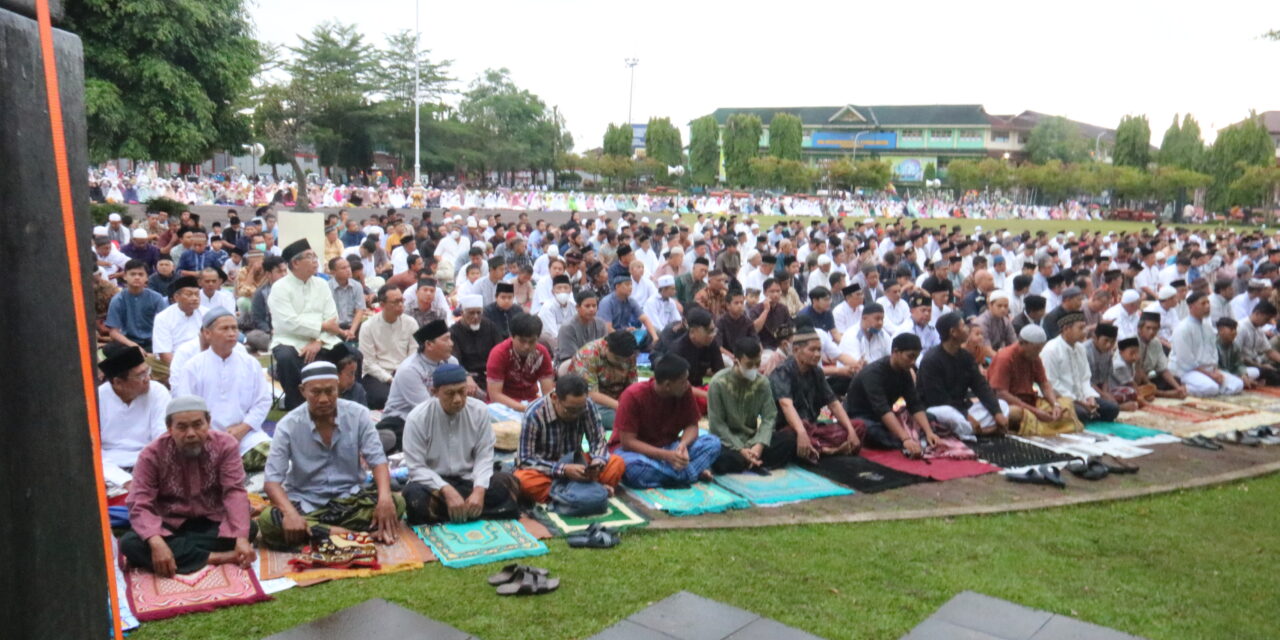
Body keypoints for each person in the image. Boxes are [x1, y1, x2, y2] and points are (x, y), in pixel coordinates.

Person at [258, 362, 404, 549]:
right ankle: (349, 534)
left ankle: (322, 534)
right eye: (316, 392)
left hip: (350, 500)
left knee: (396, 502)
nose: (324, 399)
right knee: (268, 521)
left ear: (339, 388)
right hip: (307, 503)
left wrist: (384, 499)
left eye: (330, 391)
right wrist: (290, 514)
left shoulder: (358, 414)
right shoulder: (288, 425)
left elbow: (378, 461)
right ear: (303, 391)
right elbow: (271, 482)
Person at [120, 396, 255, 577]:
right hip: (169, 523)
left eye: (198, 425)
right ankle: (218, 557)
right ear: (170, 429)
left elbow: (234, 492)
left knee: (249, 529)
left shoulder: (225, 445)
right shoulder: (151, 454)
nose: (191, 433)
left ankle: (180, 554)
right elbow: (139, 502)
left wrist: (241, 537)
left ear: (208, 423)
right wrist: (157, 542)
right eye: (182, 427)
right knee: (131, 543)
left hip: (211, 520)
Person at [401, 364, 522, 524]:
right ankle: (475, 512)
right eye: (450, 394)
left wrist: (479, 490)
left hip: (470, 480)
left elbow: (484, 456)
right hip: (435, 484)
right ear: (434, 392)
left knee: (508, 482)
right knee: (414, 496)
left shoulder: (479, 410)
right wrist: (447, 490)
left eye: (461, 391)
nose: (457, 399)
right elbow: (416, 467)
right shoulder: (417, 418)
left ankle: (459, 511)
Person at [171, 308, 273, 471]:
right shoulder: (193, 367)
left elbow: (263, 400)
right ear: (207, 333)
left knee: (276, 460)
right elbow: (185, 407)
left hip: (245, 436)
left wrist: (243, 428)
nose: (232, 333)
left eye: (234, 328)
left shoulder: (250, 363)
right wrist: (210, 434)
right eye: (225, 328)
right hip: (204, 437)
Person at [609, 354, 722, 488]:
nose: (687, 385)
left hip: (670, 447)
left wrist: (683, 446)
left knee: (713, 443)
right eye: (683, 381)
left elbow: (692, 425)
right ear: (668, 385)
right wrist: (665, 456)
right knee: (633, 469)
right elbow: (628, 442)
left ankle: (672, 476)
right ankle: (690, 474)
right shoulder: (633, 395)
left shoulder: (684, 391)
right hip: (636, 452)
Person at [513, 373, 626, 503]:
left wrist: (597, 462)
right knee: (523, 480)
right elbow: (525, 459)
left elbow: (598, 441)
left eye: (580, 410)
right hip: (546, 469)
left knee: (616, 463)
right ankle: (588, 492)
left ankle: (573, 494)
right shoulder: (534, 414)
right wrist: (563, 470)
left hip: (577, 465)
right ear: (555, 398)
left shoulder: (586, 405)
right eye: (570, 410)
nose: (576, 415)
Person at [269, 240, 348, 410]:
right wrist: (323, 326)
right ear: (295, 263)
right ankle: (299, 407)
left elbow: (332, 319)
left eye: (315, 256)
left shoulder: (322, 284)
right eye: (310, 257)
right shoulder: (279, 287)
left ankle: (344, 405)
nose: (315, 260)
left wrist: (319, 341)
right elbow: (288, 322)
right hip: (289, 340)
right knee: (286, 358)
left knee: (352, 355)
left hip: (323, 341)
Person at [770, 323, 861, 461]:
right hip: (790, 428)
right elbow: (786, 405)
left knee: (858, 426)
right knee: (790, 439)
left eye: (819, 350)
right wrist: (801, 432)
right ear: (796, 350)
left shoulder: (816, 371)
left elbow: (834, 404)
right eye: (812, 350)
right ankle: (828, 450)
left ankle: (819, 449)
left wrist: (851, 430)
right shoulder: (783, 371)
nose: (817, 354)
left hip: (813, 428)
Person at [707, 337, 796, 474]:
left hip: (753, 439)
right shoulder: (718, 383)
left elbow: (769, 417)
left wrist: (759, 445)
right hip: (728, 443)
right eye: (749, 365)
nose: (754, 368)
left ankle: (749, 460)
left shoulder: (763, 383)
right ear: (736, 361)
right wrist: (740, 449)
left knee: (789, 439)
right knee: (719, 457)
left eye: (757, 363)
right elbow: (717, 425)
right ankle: (750, 460)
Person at [917, 312, 1012, 438]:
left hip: (962, 408)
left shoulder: (965, 356)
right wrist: (967, 416)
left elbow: (981, 386)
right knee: (949, 414)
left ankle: (970, 430)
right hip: (937, 409)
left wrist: (997, 413)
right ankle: (982, 430)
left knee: (1002, 405)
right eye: (963, 326)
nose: (967, 329)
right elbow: (938, 400)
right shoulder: (931, 360)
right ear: (953, 332)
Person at [844, 333, 941, 455]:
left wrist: (928, 432)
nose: (913, 362)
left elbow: (914, 404)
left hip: (888, 415)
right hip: (862, 416)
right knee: (873, 432)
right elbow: (882, 409)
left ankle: (917, 438)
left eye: (915, 358)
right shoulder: (872, 373)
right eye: (910, 357)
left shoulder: (904, 372)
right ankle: (907, 442)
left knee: (930, 418)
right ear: (896, 352)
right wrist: (905, 438)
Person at [97, 345, 171, 494]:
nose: (148, 378)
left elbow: (162, 440)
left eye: (147, 371)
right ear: (117, 382)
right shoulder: (97, 398)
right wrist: (124, 480)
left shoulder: (158, 392)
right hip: (108, 469)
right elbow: (94, 450)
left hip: (149, 464)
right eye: (140, 375)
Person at [987, 325, 1080, 435]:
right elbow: (1001, 394)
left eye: (1041, 348)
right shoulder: (1005, 358)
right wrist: (1035, 412)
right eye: (1036, 349)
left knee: (1066, 403)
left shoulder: (1034, 357)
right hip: (1010, 405)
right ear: (1023, 343)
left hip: (1031, 402)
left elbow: (1044, 383)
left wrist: (1055, 404)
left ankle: (1041, 426)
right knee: (1015, 413)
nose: (1039, 352)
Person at [1041, 311, 1119, 423]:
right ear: (1067, 329)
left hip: (1082, 397)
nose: (1085, 332)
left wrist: (1090, 397)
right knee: (1082, 413)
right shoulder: (1051, 350)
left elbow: (1085, 378)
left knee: (1113, 409)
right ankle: (1089, 414)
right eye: (1081, 328)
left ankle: (1090, 413)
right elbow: (1052, 383)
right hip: (1060, 398)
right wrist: (1079, 401)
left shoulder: (1080, 348)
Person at [1171, 291, 1244, 397]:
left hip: (1208, 369)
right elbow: (1185, 361)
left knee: (1238, 384)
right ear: (1191, 306)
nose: (1207, 306)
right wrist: (1210, 375)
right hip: (1186, 371)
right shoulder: (1182, 328)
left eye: (1208, 303)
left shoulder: (1207, 326)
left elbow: (1213, 352)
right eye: (1203, 303)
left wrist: (1215, 370)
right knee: (1211, 387)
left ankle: (1211, 389)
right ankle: (1181, 389)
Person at [357, 286, 419, 410]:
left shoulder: (410, 323)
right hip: (378, 374)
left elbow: (414, 355)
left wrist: (403, 375)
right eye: (396, 302)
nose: (401, 305)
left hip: (404, 372)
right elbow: (368, 363)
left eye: (402, 300)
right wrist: (390, 379)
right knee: (382, 399)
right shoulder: (368, 326)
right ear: (382, 304)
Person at [569, 330, 638, 430]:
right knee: (624, 422)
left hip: (618, 402)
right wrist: (622, 407)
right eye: (617, 359)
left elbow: (632, 386)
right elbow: (591, 394)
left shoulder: (629, 356)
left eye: (625, 361)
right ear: (606, 347)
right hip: (593, 404)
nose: (621, 363)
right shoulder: (588, 355)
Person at [486, 313, 555, 412]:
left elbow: (548, 392)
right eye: (522, 341)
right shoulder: (499, 353)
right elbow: (495, 396)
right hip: (503, 406)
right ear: (512, 337)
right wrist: (525, 409)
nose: (526, 346)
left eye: (531, 342)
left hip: (532, 402)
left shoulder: (542, 353)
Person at [655, 307, 723, 408]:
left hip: (699, 388)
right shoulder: (678, 350)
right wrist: (707, 396)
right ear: (693, 332)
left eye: (713, 330)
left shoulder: (711, 343)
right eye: (709, 331)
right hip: (680, 392)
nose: (712, 335)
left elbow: (720, 374)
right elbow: (678, 386)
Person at [106, 260, 168, 352]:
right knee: (109, 349)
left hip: (152, 341)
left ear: (147, 277)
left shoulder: (156, 298)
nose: (137, 277)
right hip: (128, 342)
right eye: (133, 274)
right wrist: (134, 346)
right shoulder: (118, 299)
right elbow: (113, 332)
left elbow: (166, 324)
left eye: (141, 274)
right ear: (125, 276)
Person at [151, 276, 204, 382]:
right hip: (173, 362)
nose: (195, 298)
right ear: (176, 297)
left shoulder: (207, 314)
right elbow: (164, 354)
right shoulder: (163, 317)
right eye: (189, 294)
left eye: (197, 294)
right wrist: (188, 370)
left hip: (202, 361)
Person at [450, 294, 502, 389]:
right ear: (462, 313)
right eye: (471, 313)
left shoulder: (490, 326)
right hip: (468, 378)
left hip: (491, 376)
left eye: (479, 313)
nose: (476, 317)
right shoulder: (454, 332)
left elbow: (500, 352)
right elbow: (454, 361)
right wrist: (466, 376)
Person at [598, 275, 659, 351]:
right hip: (610, 337)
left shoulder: (630, 301)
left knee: (655, 332)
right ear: (617, 286)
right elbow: (607, 328)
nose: (630, 287)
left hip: (625, 334)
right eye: (627, 284)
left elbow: (645, 319)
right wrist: (623, 335)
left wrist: (655, 337)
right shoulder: (607, 302)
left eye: (631, 284)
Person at [556, 290, 608, 375]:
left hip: (597, 363)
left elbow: (606, 349)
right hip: (571, 365)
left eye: (594, 306)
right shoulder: (567, 328)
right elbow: (571, 357)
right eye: (587, 306)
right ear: (577, 307)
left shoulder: (601, 324)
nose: (591, 309)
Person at [1235, 300, 1280, 385]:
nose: (1267, 322)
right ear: (1257, 313)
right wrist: (1261, 366)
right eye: (1266, 319)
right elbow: (1238, 357)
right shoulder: (1241, 328)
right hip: (1244, 366)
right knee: (1273, 375)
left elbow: (1269, 351)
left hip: (1257, 364)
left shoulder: (1259, 329)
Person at [839, 301, 891, 366]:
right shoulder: (851, 335)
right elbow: (857, 366)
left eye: (882, 319)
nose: (880, 323)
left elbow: (891, 358)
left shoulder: (882, 334)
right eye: (877, 319)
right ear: (864, 318)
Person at [328, 256, 368, 336]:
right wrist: (341, 332)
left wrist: (352, 331)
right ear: (333, 272)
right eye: (343, 268)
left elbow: (359, 310)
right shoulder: (327, 287)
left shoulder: (357, 286)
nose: (348, 270)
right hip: (334, 328)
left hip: (353, 326)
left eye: (348, 266)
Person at [537, 274, 577, 353]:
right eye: (559, 288)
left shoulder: (573, 306)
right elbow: (553, 334)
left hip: (570, 340)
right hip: (551, 342)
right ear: (553, 291)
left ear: (570, 290)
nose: (562, 291)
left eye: (566, 288)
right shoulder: (548, 307)